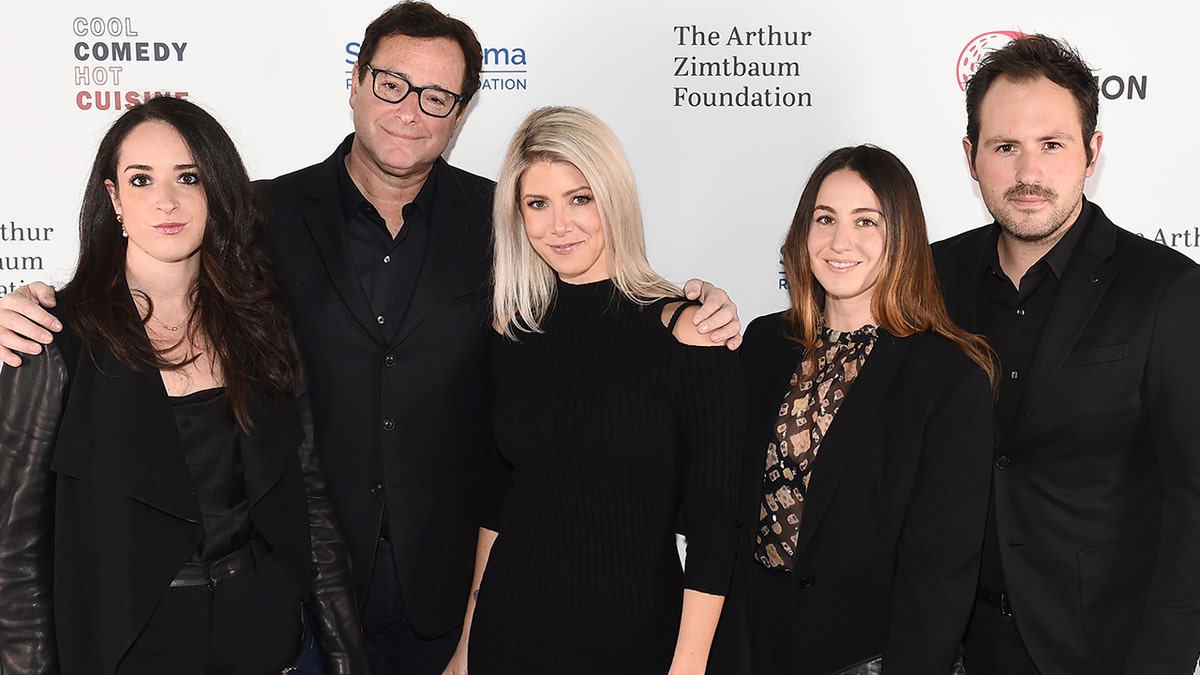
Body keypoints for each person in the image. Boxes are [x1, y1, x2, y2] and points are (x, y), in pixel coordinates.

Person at [0, 3, 742, 672]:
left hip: (460, 601)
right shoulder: (259, 218)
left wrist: (691, 305)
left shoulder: (508, 223)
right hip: (302, 596)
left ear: (461, 113)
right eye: (391, 83)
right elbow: (158, 275)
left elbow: (595, 322)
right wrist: (35, 305)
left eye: (436, 97)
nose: (409, 111)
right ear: (354, 82)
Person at [0, 96, 365, 673]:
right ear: (114, 199)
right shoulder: (54, 340)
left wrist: (345, 656)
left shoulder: (262, 323)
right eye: (141, 180)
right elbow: (14, 554)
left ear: (215, 191)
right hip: (131, 645)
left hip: (264, 630)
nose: (166, 201)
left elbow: (309, 496)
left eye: (188, 177)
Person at [439, 105, 744, 674]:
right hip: (510, 633)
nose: (560, 225)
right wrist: (466, 646)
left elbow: (715, 523)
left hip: (633, 644)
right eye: (538, 204)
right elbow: (501, 498)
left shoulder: (689, 333)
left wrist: (689, 665)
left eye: (580, 198)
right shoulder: (513, 331)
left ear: (614, 198)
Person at [933, 34, 1200, 673]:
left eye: (1051, 145)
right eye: (1005, 148)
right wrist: (703, 316)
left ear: (1091, 153)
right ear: (972, 158)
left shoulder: (1165, 289)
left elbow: (1194, 500)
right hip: (950, 645)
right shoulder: (931, 276)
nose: (1028, 174)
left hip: (1100, 652)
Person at [711, 145, 995, 674]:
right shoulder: (765, 344)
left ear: (902, 237)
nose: (841, 241)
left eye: (866, 221)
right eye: (825, 219)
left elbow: (941, 574)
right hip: (753, 647)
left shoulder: (948, 376)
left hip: (872, 657)